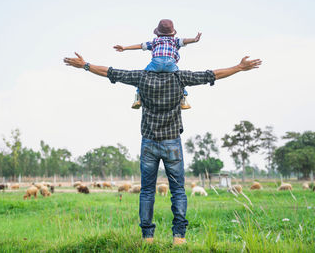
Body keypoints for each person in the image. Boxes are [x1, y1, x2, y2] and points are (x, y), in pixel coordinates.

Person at [63, 52, 261, 245]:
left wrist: (86, 65)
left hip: (149, 142)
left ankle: (147, 239)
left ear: (153, 57)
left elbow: (112, 72)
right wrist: (239, 68)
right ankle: (179, 238)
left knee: (147, 192)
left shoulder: (141, 77)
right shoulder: (180, 77)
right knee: (178, 192)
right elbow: (211, 75)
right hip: (172, 143)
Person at [113, 19, 201, 109]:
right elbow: (185, 41)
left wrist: (125, 48)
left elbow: (140, 46)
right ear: (173, 33)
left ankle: (138, 98)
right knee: (179, 78)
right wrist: (194, 39)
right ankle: (184, 99)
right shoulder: (175, 41)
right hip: (170, 64)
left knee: (143, 76)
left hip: (156, 63)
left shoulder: (155, 41)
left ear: (158, 33)